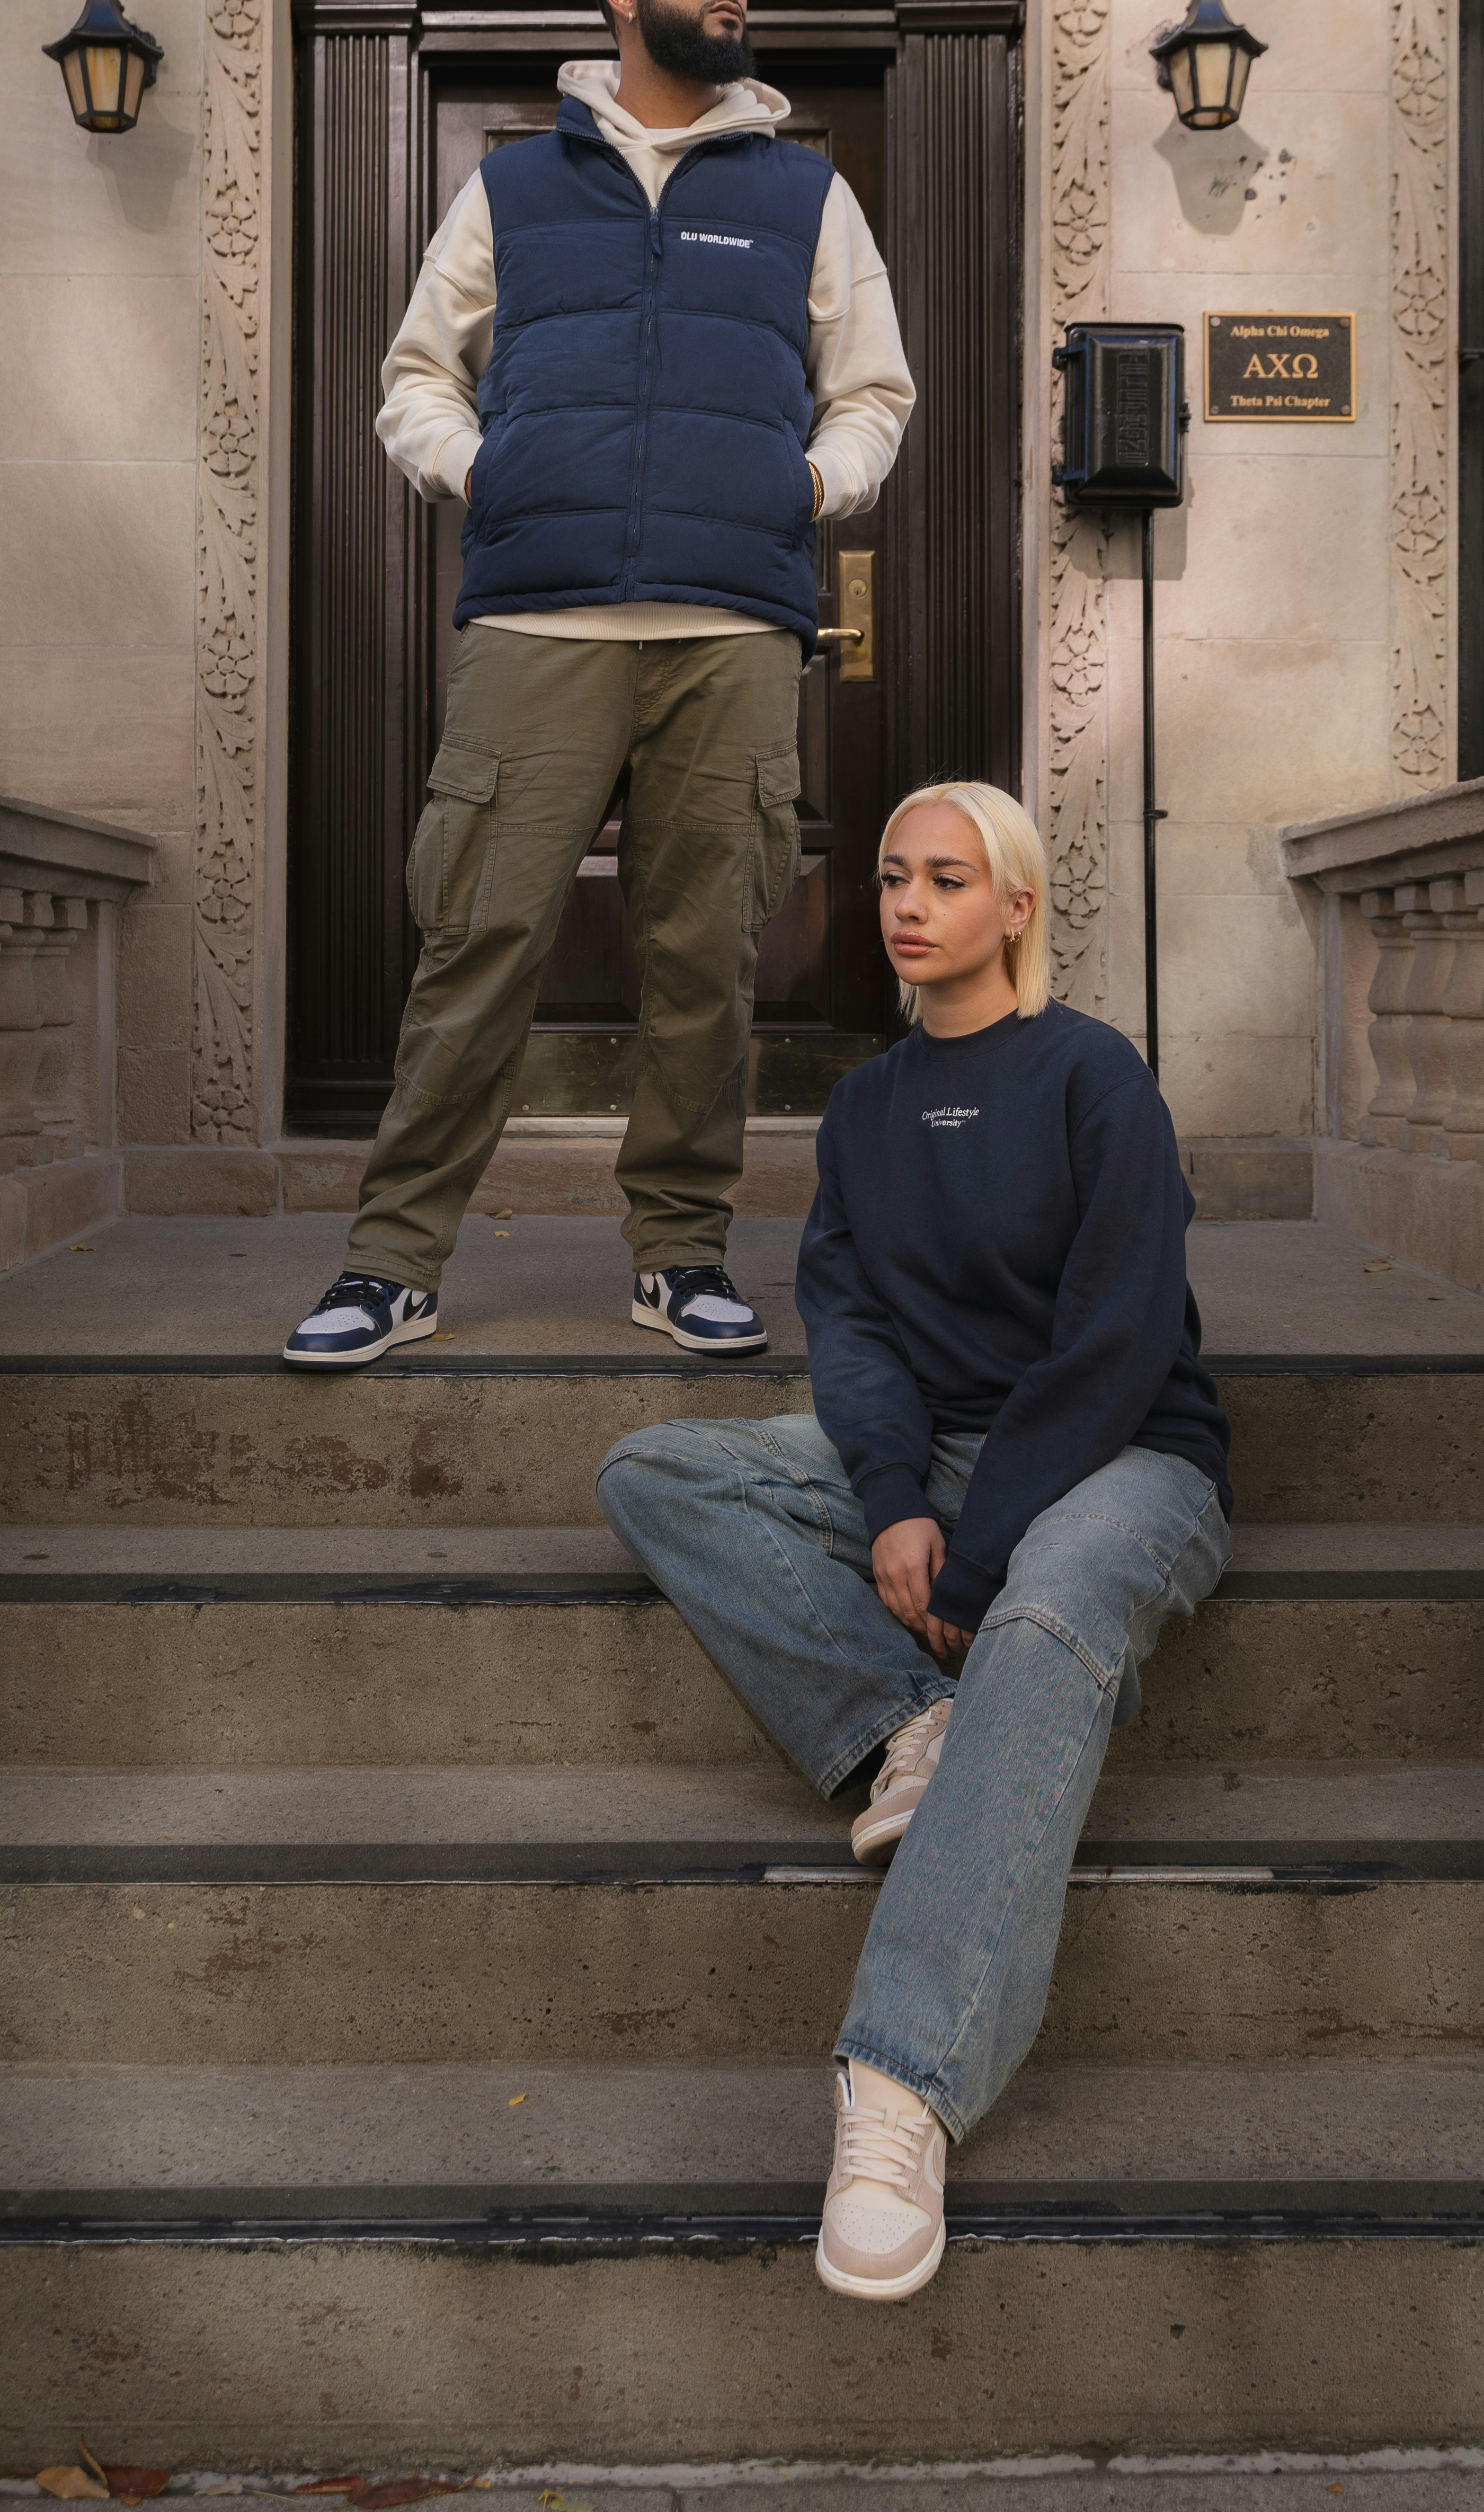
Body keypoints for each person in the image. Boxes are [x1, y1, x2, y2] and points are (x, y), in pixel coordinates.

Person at [596, 780, 1232, 2301]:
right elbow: (856, 1323)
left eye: (946, 879)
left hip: (1124, 1455)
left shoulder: (1094, 1078)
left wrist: (978, 1543)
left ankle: (899, 2086)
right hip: (931, 1457)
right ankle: (910, 1720)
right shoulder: (869, 1108)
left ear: (1015, 907)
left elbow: (1121, 1331)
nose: (906, 903)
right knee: (656, 1469)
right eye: (892, 877)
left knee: (1047, 1611)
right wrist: (892, 1501)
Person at [283, 0, 916, 1371]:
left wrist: (803, 486)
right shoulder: (511, 189)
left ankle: (682, 1252)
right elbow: (416, 377)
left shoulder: (805, 194)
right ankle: (393, 1265)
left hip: (732, 624)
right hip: (542, 620)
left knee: (705, 957)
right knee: (479, 941)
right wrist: (489, 468)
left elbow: (874, 392)